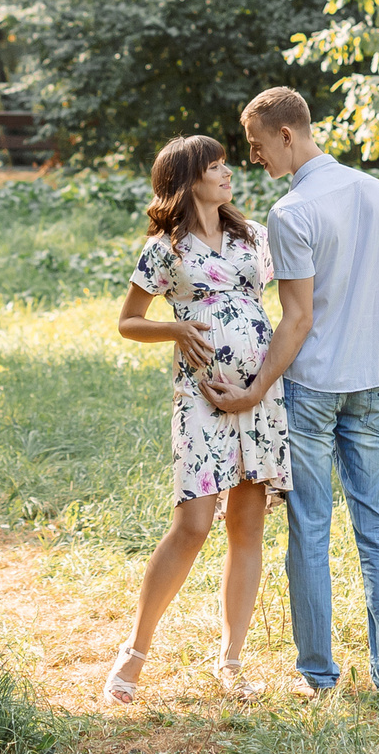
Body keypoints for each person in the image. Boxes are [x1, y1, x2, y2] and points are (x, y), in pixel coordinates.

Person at [203, 87, 379, 696]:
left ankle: (319, 676)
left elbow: (297, 320)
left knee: (310, 529)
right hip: (373, 383)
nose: (253, 157)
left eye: (256, 145)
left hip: (313, 389)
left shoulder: (291, 212)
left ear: (286, 135)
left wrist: (254, 390)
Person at [101, 134, 293, 705]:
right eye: (216, 166)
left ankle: (232, 662)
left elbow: (296, 297)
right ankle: (134, 652)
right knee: (193, 524)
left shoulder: (252, 236)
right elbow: (128, 321)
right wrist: (175, 328)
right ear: (189, 181)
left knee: (248, 527)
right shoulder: (165, 249)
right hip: (202, 397)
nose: (229, 172)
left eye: (227, 163)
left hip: (259, 395)